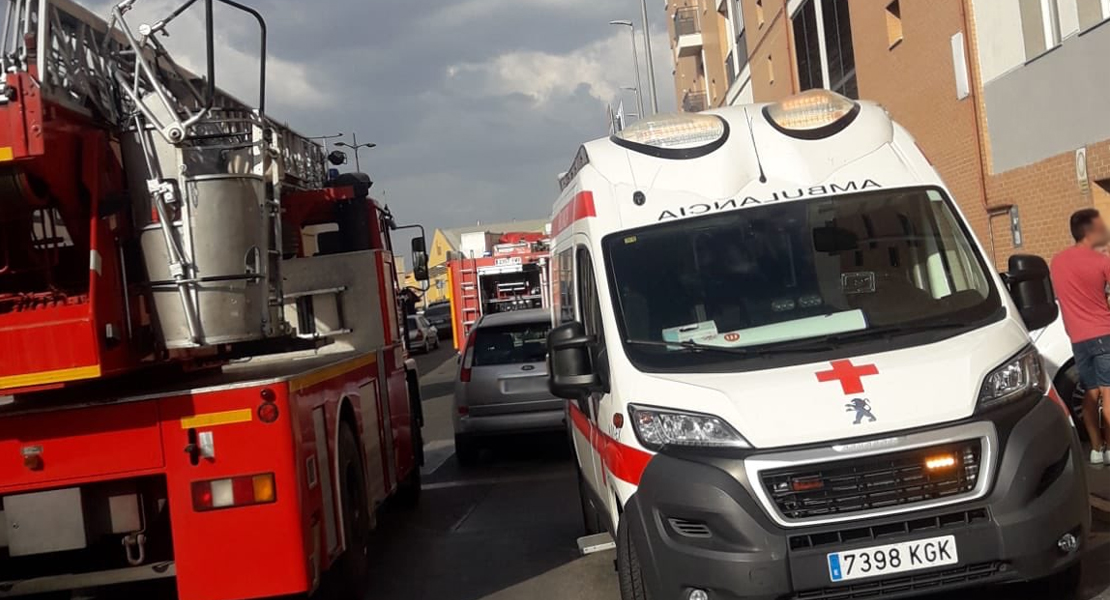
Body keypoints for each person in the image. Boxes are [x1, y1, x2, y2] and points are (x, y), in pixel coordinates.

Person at [1050, 208, 1110, 465]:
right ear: (1090, 231)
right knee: (1109, 394)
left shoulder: (1058, 261)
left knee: (1091, 393)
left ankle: (1096, 450)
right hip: (1103, 334)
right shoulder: (1102, 261)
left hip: (1077, 338)